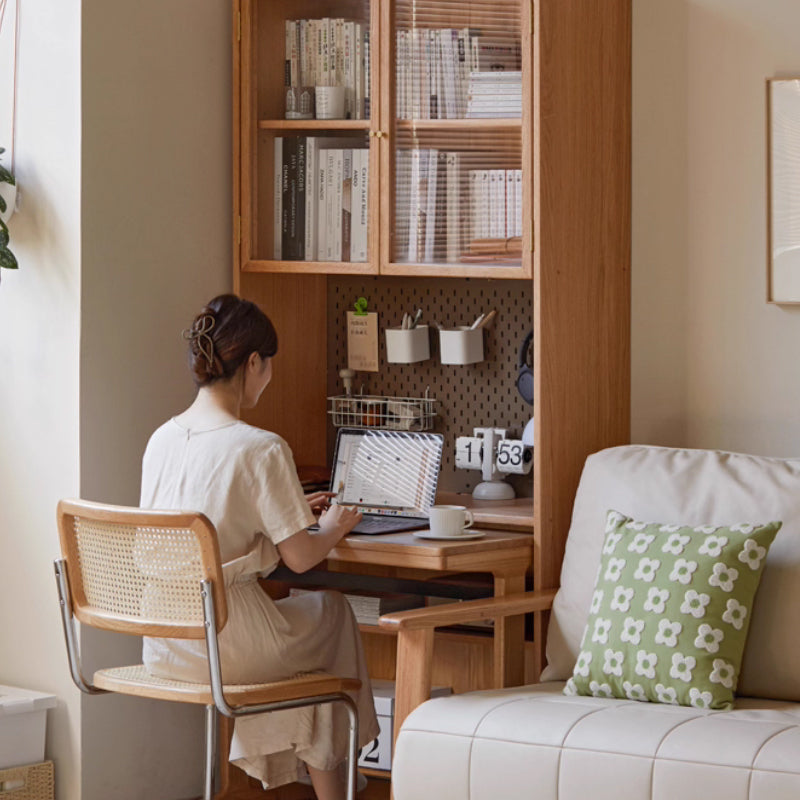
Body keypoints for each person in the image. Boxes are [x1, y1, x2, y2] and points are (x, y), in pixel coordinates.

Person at [140, 294, 379, 799]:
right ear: (253, 362)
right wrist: (334, 524)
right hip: (229, 642)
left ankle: (320, 783)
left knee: (310, 672)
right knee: (332, 616)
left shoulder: (161, 438)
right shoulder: (260, 446)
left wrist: (287, 512)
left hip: (166, 641)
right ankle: (345, 781)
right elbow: (301, 558)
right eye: (268, 367)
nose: (269, 379)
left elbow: (211, 526)